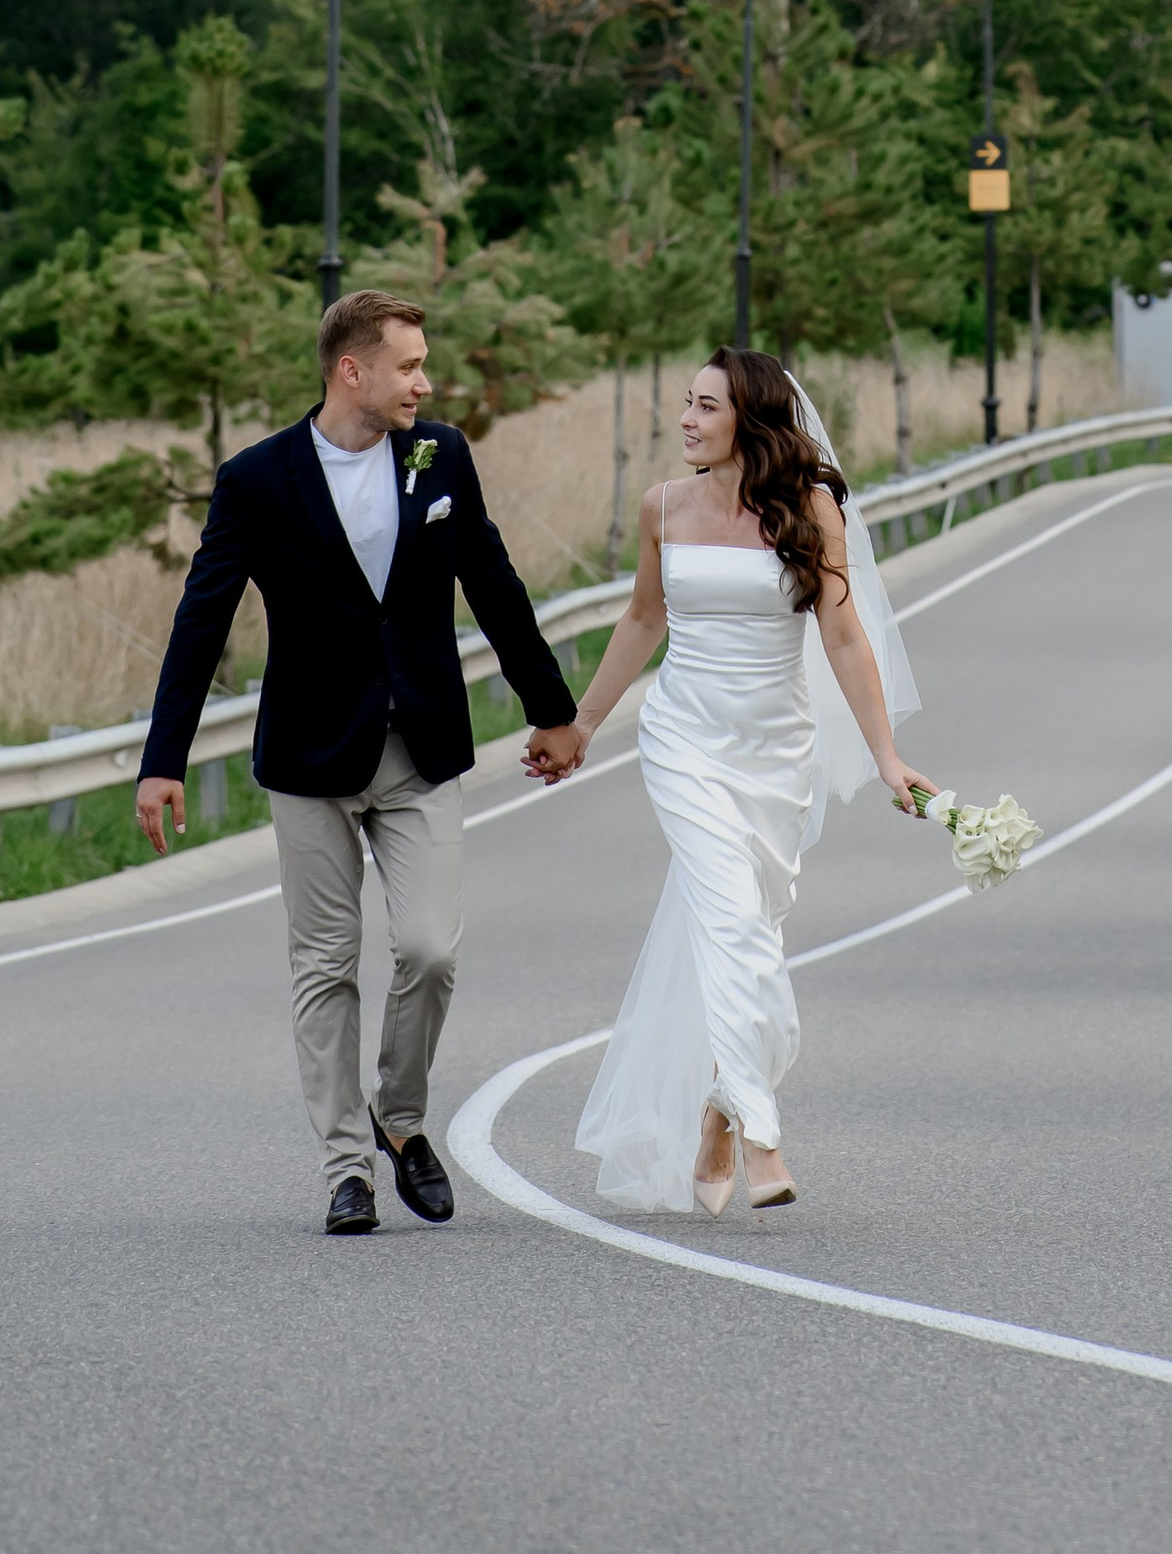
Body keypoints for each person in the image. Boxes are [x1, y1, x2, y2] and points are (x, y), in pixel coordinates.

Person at [136, 286, 582, 1235]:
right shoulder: (257, 480)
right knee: (325, 965)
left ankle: (402, 1119)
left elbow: (493, 584)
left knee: (428, 948)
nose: (425, 380)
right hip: (309, 755)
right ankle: (347, 1165)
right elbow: (201, 618)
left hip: (419, 747)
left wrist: (554, 712)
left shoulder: (441, 455)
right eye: (409, 365)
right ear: (353, 370)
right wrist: (162, 757)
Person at [527, 349, 934, 1215]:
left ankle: (719, 1105)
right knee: (730, 922)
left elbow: (846, 636)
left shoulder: (809, 508)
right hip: (684, 741)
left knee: (757, 933)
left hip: (777, 752)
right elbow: (644, 617)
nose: (686, 420)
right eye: (685, 403)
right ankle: (762, 1131)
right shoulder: (663, 507)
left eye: (705, 406)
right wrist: (585, 726)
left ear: (748, 419)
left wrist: (884, 756)